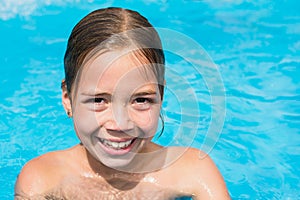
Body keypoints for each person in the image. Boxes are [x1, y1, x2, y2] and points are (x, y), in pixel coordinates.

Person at [14, 7, 230, 199]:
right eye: (99, 100)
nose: (120, 124)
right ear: (67, 99)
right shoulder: (43, 180)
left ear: (161, 97)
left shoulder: (191, 171)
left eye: (140, 100)